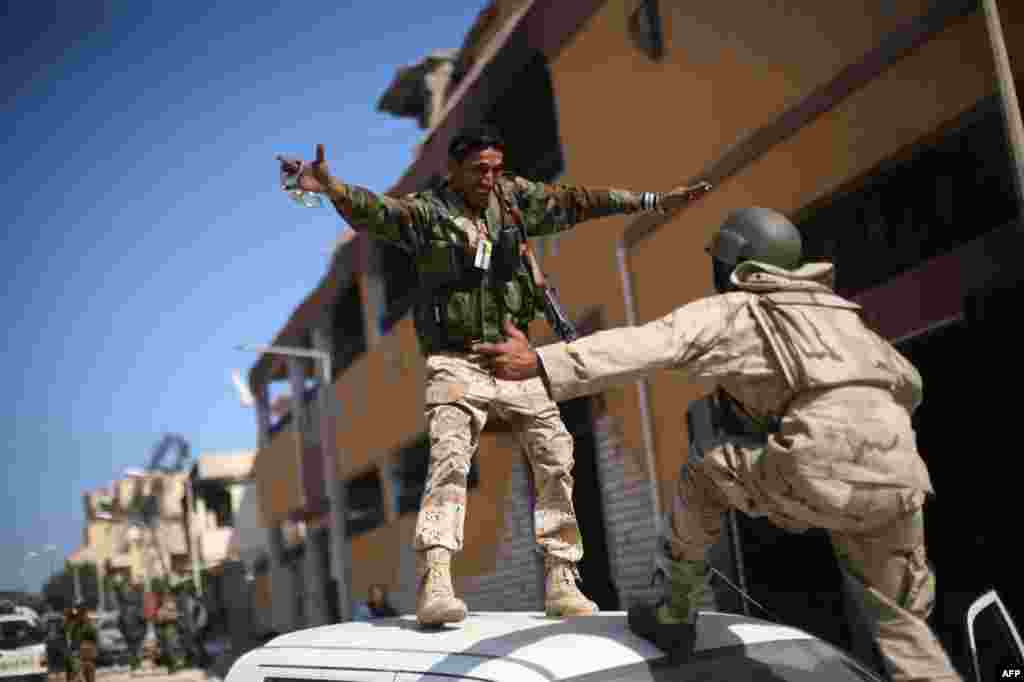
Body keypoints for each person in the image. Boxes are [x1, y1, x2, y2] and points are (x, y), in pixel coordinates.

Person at [473, 207, 961, 681]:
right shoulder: (845, 318)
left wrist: (540, 362)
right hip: (901, 480)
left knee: (702, 476)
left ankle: (675, 609)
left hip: (818, 469)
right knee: (903, 628)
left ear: (733, 265)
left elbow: (647, 344)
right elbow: (910, 383)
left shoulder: (738, 310)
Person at [278, 125, 710, 627]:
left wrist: (654, 201)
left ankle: (561, 578)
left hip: (514, 357)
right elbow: (379, 212)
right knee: (449, 461)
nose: (489, 178)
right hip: (455, 360)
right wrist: (332, 188)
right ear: (455, 169)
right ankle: (436, 580)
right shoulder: (428, 213)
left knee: (556, 455)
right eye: (479, 169)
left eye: (495, 168)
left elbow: (580, 201)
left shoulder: (513, 200)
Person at [62, 602, 97, 682]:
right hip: (75, 655)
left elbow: (93, 640)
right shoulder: (72, 625)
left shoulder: (87, 625)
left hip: (84, 655)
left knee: (87, 674)